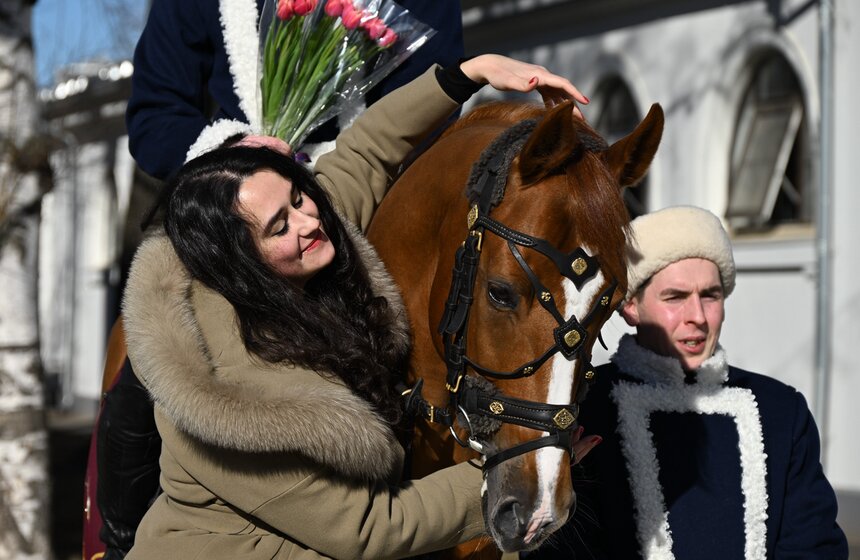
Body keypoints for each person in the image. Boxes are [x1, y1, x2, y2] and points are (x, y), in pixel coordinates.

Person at [120, 54, 594, 559]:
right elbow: (367, 529)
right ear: (239, 263)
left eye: (299, 196)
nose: (306, 221)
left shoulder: (304, 242)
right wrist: (519, 466)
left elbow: (367, 153)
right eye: (279, 226)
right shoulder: (227, 396)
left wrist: (467, 74)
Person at [94, 2, 466, 557]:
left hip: (365, 191)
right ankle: (118, 540)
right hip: (228, 207)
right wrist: (236, 159)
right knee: (145, 374)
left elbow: (419, 116)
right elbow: (155, 115)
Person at [525, 206, 848, 559]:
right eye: (675, 297)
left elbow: (815, 546)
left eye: (710, 295)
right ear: (630, 306)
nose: (697, 317)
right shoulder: (585, 410)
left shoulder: (780, 412)